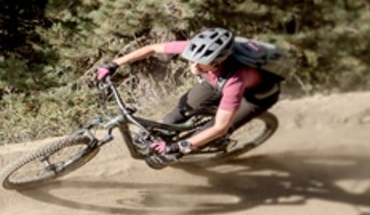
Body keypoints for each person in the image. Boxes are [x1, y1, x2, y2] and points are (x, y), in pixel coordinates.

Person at [95, 27, 282, 162]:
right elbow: (152, 49)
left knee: (205, 134)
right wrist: (114, 64)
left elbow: (220, 127)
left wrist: (179, 146)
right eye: (192, 59)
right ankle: (167, 140)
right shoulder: (196, 48)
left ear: (217, 62)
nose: (193, 65)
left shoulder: (235, 79)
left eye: (200, 62)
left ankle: (201, 150)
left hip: (255, 97)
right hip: (214, 82)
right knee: (175, 116)